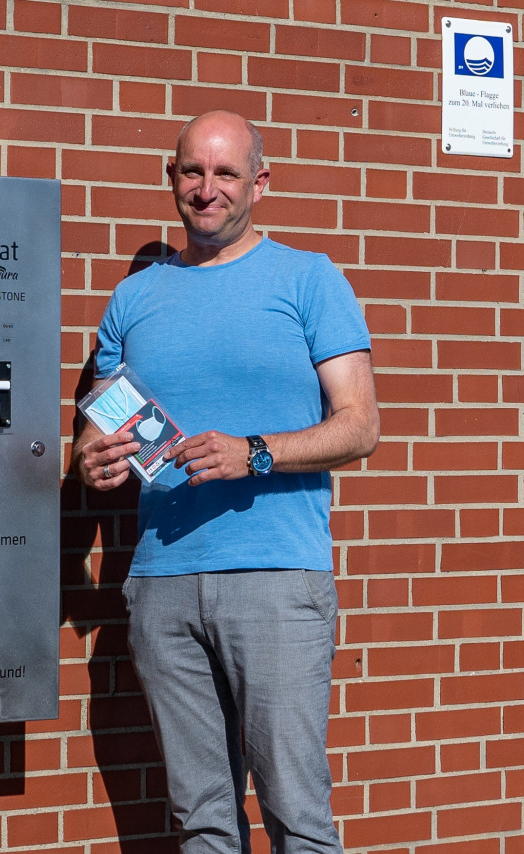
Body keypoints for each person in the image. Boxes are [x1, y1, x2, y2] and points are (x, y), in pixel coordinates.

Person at [74, 110, 379, 853]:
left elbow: (360, 425)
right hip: (162, 584)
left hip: (275, 579)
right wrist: (92, 457)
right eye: (192, 171)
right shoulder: (133, 299)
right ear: (171, 177)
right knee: (200, 819)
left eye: (226, 173)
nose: (206, 189)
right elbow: (100, 421)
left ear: (259, 184)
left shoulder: (308, 279)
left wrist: (256, 453)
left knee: (296, 815)